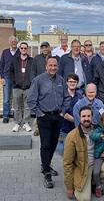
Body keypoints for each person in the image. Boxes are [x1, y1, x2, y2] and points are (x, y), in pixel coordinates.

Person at [27, 57, 71, 188]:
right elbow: (31, 100)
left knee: (53, 144)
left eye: (55, 65)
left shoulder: (61, 80)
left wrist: (63, 112)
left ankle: (46, 164)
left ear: (57, 66)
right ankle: (46, 172)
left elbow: (67, 97)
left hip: (57, 117)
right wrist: (39, 113)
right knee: (45, 144)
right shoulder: (38, 80)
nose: (53, 68)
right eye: (50, 65)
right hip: (44, 117)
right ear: (46, 66)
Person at [63, 106, 104, 201]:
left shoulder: (98, 130)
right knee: (84, 199)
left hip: (96, 163)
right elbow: (67, 163)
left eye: (89, 116)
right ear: (79, 118)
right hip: (83, 168)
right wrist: (69, 187)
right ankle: (84, 184)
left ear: (92, 117)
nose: (86, 119)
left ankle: (94, 183)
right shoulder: (72, 136)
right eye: (83, 116)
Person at [9, 42, 34, 132]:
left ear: (27, 49)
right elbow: (11, 72)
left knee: (27, 106)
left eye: (25, 48)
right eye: (22, 48)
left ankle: (26, 123)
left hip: (28, 87)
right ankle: (17, 123)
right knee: (17, 106)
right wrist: (14, 81)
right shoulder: (15, 60)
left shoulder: (31, 60)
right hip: (17, 87)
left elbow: (33, 73)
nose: (23, 49)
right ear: (19, 49)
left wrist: (31, 83)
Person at [56, 74, 82, 155]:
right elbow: (62, 114)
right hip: (63, 130)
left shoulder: (80, 96)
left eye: (74, 81)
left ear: (77, 83)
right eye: (70, 81)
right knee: (65, 153)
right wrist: (76, 120)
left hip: (76, 131)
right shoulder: (61, 95)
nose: (72, 83)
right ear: (66, 83)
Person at [0, 35, 19, 123]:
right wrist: (2, 77)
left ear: (17, 42)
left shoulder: (20, 52)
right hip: (6, 77)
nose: (13, 42)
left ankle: (16, 116)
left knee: (16, 98)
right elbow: (1, 65)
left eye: (15, 41)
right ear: (9, 42)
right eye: (12, 41)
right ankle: (6, 116)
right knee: (7, 98)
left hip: (17, 78)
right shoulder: (5, 52)